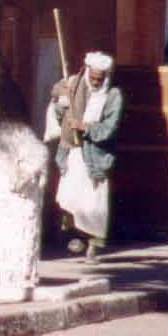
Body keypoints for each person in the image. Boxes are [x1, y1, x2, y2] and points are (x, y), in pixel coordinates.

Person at [45, 50, 124, 262]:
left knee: (94, 204)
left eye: (100, 79)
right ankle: (76, 238)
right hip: (72, 151)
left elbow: (110, 128)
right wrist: (62, 101)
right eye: (93, 78)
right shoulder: (74, 84)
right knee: (71, 198)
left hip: (96, 157)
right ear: (88, 73)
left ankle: (92, 247)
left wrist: (84, 127)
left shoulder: (113, 96)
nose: (96, 83)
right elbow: (58, 109)